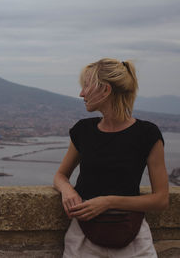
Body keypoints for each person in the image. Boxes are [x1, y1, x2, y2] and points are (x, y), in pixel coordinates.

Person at [53, 58, 169, 257]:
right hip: (82, 240)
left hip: (134, 240)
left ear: (105, 90)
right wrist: (67, 190)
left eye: (86, 86)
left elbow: (161, 199)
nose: (81, 93)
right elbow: (60, 176)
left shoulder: (147, 134)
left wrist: (108, 202)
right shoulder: (83, 130)